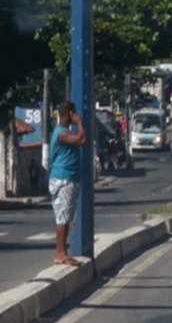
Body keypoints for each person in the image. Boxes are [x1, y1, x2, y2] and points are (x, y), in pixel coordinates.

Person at [49, 100, 87, 267]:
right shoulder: (62, 133)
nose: (76, 116)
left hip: (69, 177)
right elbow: (81, 140)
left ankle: (63, 252)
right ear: (69, 114)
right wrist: (80, 123)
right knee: (63, 217)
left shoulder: (63, 131)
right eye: (74, 114)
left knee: (66, 216)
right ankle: (61, 253)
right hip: (63, 178)